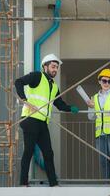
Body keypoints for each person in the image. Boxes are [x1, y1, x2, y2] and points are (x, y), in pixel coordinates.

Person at [15, 53, 79, 187]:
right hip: (30, 119)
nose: (55, 69)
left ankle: (53, 183)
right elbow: (18, 82)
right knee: (29, 151)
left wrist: (71, 108)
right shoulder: (37, 76)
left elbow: (59, 104)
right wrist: (25, 101)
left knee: (48, 153)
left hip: (42, 122)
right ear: (45, 66)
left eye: (56, 67)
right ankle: (23, 183)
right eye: (53, 66)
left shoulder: (54, 86)